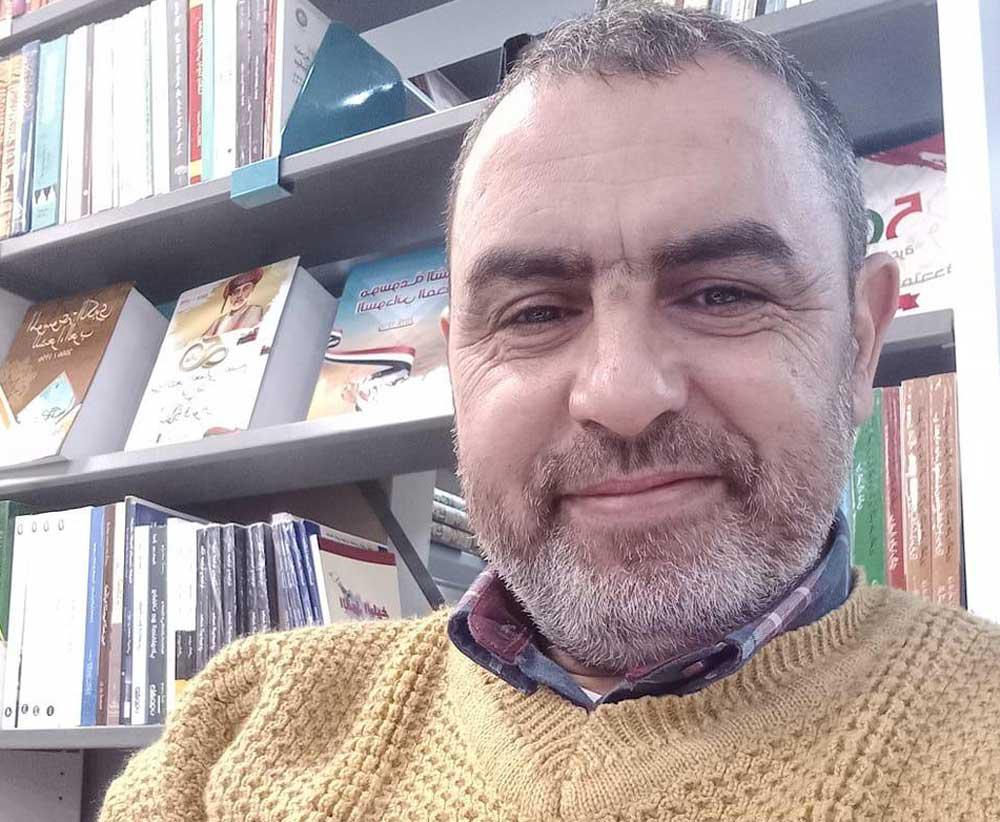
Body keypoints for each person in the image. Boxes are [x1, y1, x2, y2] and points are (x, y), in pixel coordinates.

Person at [100, 5, 1000, 820]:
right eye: (534, 314)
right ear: (456, 367)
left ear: (860, 341)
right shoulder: (237, 737)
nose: (621, 395)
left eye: (723, 294)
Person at [201, 269, 266, 337]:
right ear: (230, 296)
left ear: (251, 290)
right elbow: (203, 339)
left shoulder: (253, 310)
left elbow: (246, 334)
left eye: (245, 289)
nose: (239, 295)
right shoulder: (218, 321)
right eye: (236, 291)